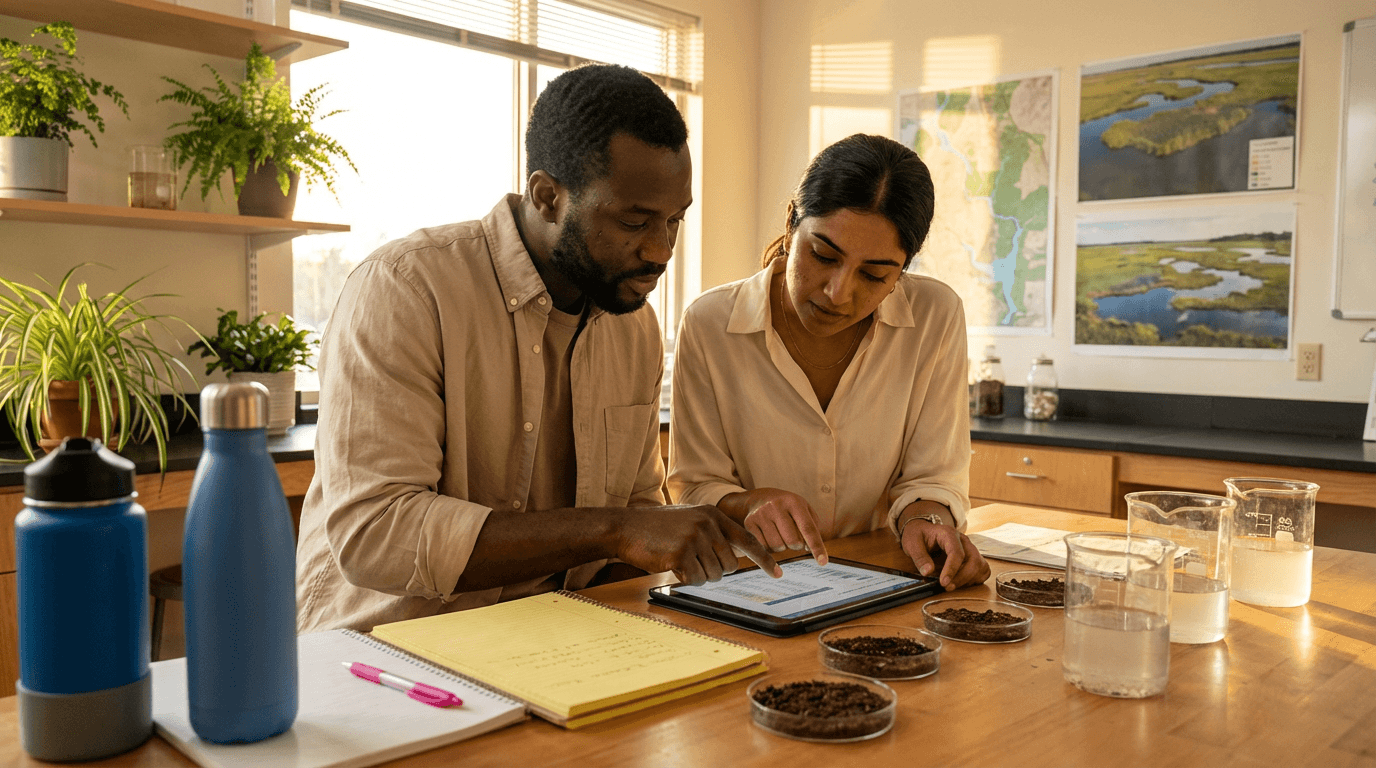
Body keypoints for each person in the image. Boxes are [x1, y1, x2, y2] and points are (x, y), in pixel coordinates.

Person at [297, 64, 779, 634]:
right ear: (548, 196)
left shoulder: (635, 327)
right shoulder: (405, 288)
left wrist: (676, 543)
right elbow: (376, 534)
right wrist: (614, 530)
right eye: (635, 220)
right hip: (387, 653)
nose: (660, 250)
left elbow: (638, 509)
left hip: (555, 641)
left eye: (675, 220)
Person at [668, 133, 989, 591]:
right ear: (790, 224)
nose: (839, 292)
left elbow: (933, 476)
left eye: (875, 275)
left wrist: (928, 520)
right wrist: (749, 502)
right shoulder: (710, 324)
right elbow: (695, 488)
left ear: (902, 271)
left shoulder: (935, 316)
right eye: (822, 255)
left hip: (882, 580)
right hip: (755, 586)